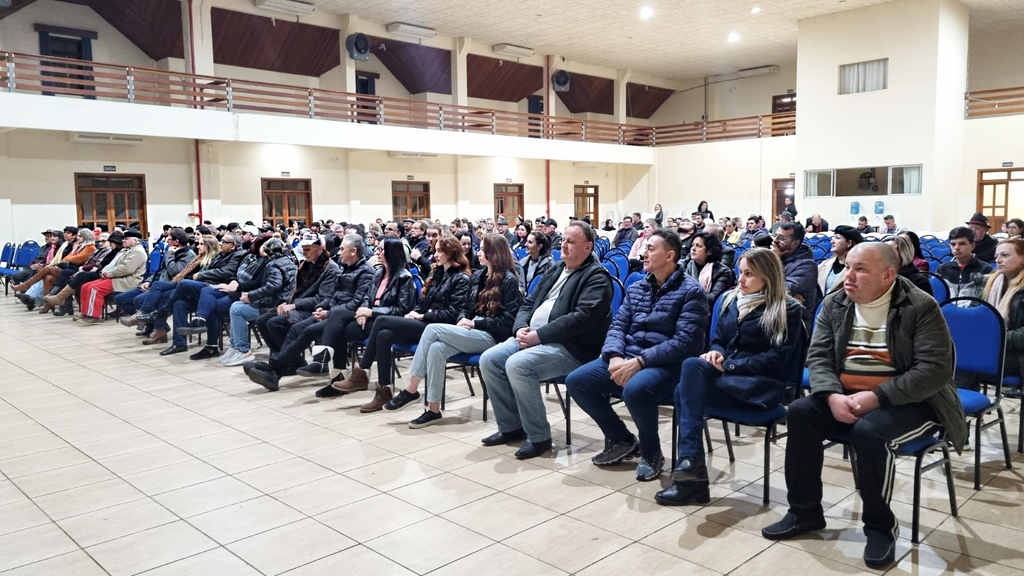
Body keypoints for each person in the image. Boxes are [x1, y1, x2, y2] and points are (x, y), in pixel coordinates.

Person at [762, 242, 966, 570]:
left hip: (913, 402)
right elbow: (819, 357)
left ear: (888, 275)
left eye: (860, 270)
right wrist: (831, 395)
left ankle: (880, 528)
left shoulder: (920, 306)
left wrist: (877, 398)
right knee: (800, 412)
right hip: (846, 396)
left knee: (871, 432)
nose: (848, 277)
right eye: (847, 267)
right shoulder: (835, 303)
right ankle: (805, 512)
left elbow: (934, 370)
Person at [657, 248, 803, 505]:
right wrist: (715, 353)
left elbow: (776, 360)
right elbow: (719, 340)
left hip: (759, 388)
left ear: (768, 276)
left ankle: (693, 479)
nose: (741, 280)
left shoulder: (787, 309)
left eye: (749, 274)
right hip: (727, 381)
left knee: (683, 391)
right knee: (693, 366)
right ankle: (690, 465)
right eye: (740, 273)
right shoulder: (731, 300)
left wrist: (730, 366)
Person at [567, 229, 707, 481]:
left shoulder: (691, 291)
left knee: (635, 389)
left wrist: (640, 362)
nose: (644, 253)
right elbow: (618, 326)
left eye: (651, 249)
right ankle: (623, 440)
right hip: (629, 358)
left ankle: (652, 452)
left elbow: (685, 343)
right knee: (577, 381)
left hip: (667, 366)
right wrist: (614, 356)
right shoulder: (637, 288)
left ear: (670, 256)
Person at [479, 222, 612, 460]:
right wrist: (520, 328)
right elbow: (529, 303)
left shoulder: (596, 277)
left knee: (518, 365)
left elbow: (581, 319)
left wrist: (538, 336)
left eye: (572, 242)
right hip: (534, 338)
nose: (565, 246)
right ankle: (511, 427)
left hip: (571, 347)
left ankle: (539, 436)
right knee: (490, 359)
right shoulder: (556, 269)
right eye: (564, 241)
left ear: (588, 247)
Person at [386, 234, 524, 426]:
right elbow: (465, 308)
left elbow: (508, 322)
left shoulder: (509, 280)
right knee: (436, 349)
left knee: (432, 330)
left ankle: (411, 388)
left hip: (492, 337)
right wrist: (462, 320)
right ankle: (433, 409)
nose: (478, 252)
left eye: (483, 249)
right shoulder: (478, 275)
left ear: (495, 253)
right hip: (472, 331)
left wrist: (475, 324)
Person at [324, 235, 470, 413]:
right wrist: (414, 313)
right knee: (384, 335)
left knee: (382, 320)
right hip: (423, 322)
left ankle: (362, 370)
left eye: (440, 251)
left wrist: (422, 315)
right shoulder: (437, 274)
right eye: (435, 250)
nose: (435, 255)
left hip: (438, 328)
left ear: (452, 253)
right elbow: (421, 303)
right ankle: (383, 390)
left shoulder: (461, 279)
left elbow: (452, 313)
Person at [244, 234, 375, 389]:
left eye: (342, 249)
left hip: (345, 317)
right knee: (293, 328)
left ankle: (275, 368)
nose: (339, 252)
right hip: (332, 312)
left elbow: (355, 304)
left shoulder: (364, 272)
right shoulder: (345, 267)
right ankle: (277, 369)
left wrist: (328, 312)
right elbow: (333, 295)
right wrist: (324, 307)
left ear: (353, 251)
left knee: (301, 329)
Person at [310, 238, 416, 393]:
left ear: (392, 253)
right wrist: (363, 311)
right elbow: (367, 297)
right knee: (339, 324)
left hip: (388, 321)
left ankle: (324, 359)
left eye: (382, 249)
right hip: (370, 318)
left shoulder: (404, 277)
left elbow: (402, 309)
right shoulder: (379, 273)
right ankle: (336, 377)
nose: (377, 252)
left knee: (339, 319)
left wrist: (371, 312)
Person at [254, 232, 339, 359]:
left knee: (275, 323)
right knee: (262, 321)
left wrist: (294, 305)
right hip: (299, 305)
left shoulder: (331, 268)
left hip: (314, 309)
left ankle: (288, 360)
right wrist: (285, 302)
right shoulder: (305, 265)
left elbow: (322, 299)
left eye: (308, 249)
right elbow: (295, 290)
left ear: (320, 248)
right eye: (303, 249)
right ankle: (285, 360)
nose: (305, 252)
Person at [223, 238, 296, 365]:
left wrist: (251, 297)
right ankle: (235, 346)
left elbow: (273, 286)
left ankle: (243, 350)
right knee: (236, 305)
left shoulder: (274, 264)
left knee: (237, 309)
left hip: (274, 305)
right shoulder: (286, 261)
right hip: (276, 301)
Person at [76, 229, 147, 325]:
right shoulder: (128, 250)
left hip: (127, 280)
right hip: (118, 277)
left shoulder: (138, 251)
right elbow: (116, 264)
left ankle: (93, 316)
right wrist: (105, 271)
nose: (123, 241)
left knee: (95, 289)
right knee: (85, 286)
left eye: (126, 239)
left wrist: (109, 273)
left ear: (135, 240)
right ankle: (86, 313)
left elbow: (127, 269)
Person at [982, 238, 1024, 398]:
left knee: (966, 360)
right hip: (994, 347)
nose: (998, 260)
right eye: (996, 256)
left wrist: (997, 338)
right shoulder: (990, 283)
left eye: (1005, 255)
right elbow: (977, 314)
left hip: (1017, 354)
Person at [772, 221, 817, 328]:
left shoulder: (807, 265)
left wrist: (775, 262)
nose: (775, 241)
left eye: (782, 238)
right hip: (773, 312)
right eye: (776, 236)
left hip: (795, 323)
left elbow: (782, 290)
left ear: (795, 243)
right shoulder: (774, 256)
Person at [938, 226, 993, 301]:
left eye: (962, 244)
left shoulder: (985, 269)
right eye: (953, 244)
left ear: (972, 246)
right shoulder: (942, 269)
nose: (957, 248)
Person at [682, 231, 735, 305]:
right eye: (692, 245)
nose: (693, 249)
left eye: (698, 246)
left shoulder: (723, 272)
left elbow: (713, 298)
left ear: (709, 251)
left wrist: (685, 296)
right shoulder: (688, 265)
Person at [817, 226, 863, 296]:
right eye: (833, 237)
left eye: (837, 238)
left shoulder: (860, 269)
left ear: (849, 243)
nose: (832, 241)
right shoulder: (825, 264)